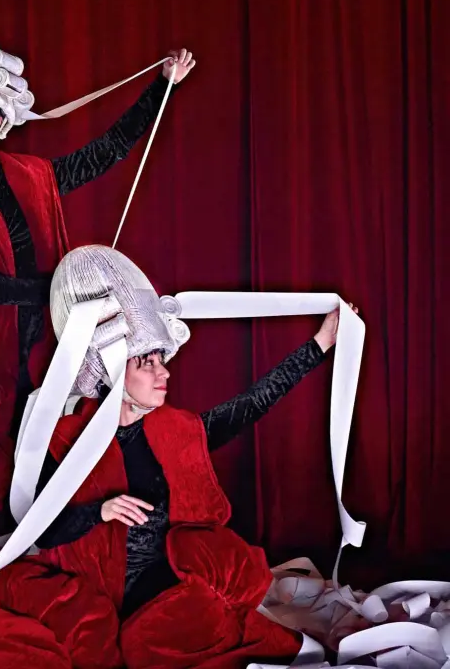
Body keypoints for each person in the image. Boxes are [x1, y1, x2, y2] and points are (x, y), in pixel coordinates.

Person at [0, 16, 195, 538]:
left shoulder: (35, 175)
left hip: (45, 347)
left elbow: (106, 152)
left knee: (44, 454)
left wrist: (162, 87)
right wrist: (59, 292)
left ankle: (54, 535)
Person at [21, 245, 342, 668]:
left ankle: (263, 638)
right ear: (113, 368)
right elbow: (42, 531)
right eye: (147, 363)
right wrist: (100, 512)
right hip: (118, 598)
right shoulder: (67, 440)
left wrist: (319, 345)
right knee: (142, 646)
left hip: (180, 579)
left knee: (188, 625)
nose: (165, 372)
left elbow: (251, 404)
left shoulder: (176, 430)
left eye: (161, 360)